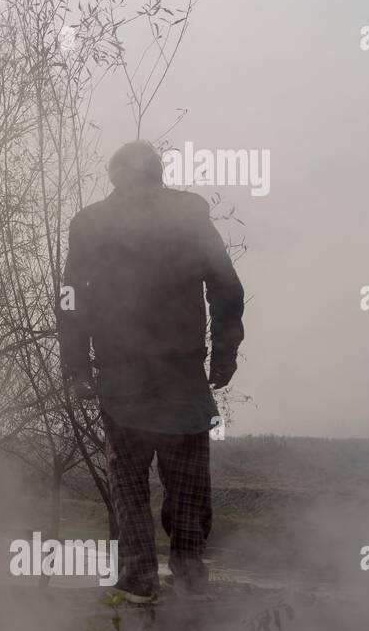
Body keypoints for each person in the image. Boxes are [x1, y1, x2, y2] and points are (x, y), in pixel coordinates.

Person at [57, 141, 245, 603]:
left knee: (129, 483)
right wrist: (224, 355)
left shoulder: (92, 223)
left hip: (128, 376)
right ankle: (188, 575)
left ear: (115, 175)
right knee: (186, 480)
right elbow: (227, 285)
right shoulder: (188, 214)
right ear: (158, 174)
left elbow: (71, 303)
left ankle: (141, 578)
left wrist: (77, 369)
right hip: (181, 374)